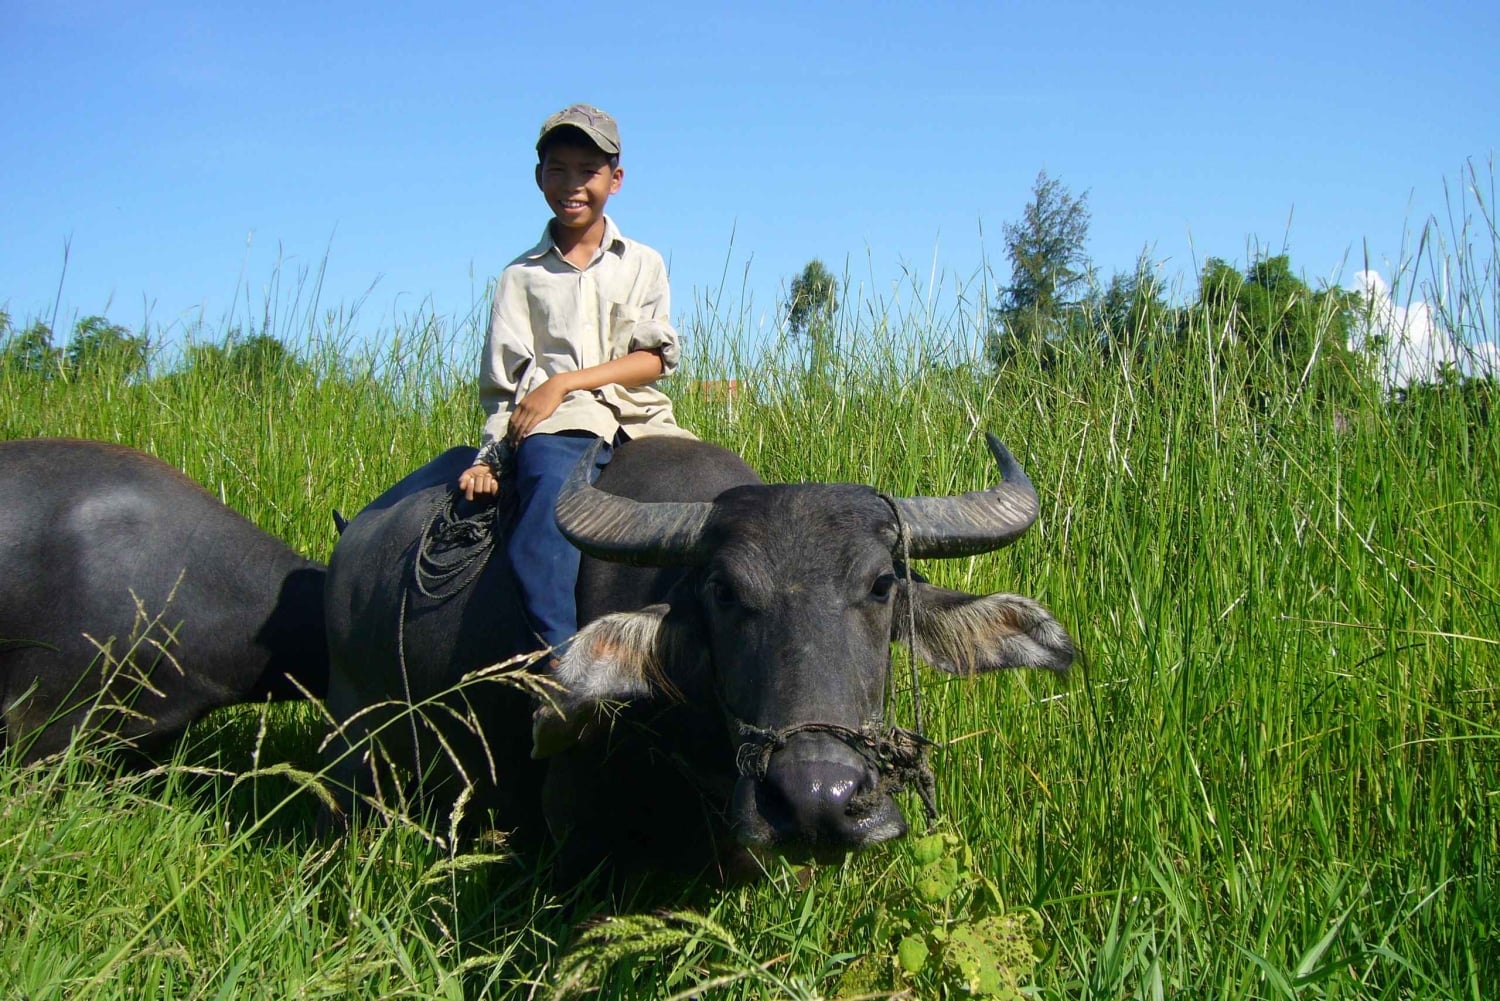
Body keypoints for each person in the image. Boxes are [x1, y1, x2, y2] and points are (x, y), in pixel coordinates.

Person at [459, 103, 695, 661]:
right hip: (559, 424)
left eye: (587, 171)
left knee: (729, 506)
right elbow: (503, 388)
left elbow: (655, 360)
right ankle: (556, 672)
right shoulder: (521, 277)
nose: (572, 186)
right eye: (557, 170)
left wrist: (564, 381)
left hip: (642, 419)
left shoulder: (643, 263)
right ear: (539, 176)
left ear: (615, 179)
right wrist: (489, 458)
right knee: (544, 527)